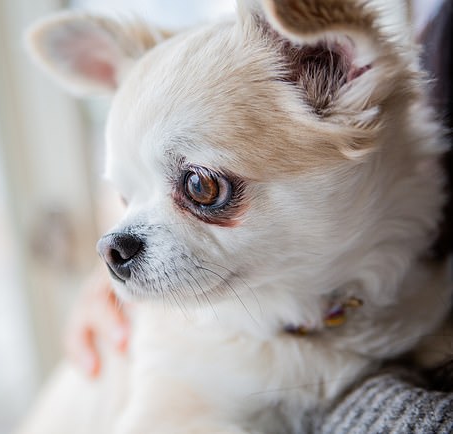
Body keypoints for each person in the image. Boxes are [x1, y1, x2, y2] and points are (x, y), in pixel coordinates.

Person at [63, 1, 453, 431]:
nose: (115, 247)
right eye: (127, 197)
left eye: (202, 187)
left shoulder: (430, 302)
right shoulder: (185, 347)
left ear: (330, 62)